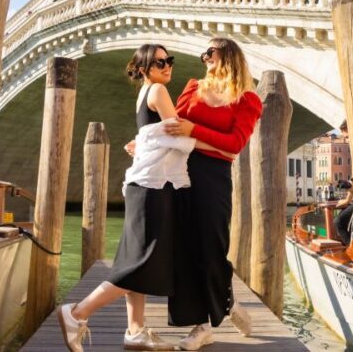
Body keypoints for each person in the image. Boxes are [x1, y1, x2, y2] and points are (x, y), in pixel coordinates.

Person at [58, 45, 232, 352]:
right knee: (141, 263)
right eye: (159, 62)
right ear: (143, 69)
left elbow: (158, 134)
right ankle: (77, 313)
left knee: (132, 258)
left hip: (143, 186)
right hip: (153, 188)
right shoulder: (158, 92)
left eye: (169, 61)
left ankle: (135, 331)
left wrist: (144, 142)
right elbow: (177, 133)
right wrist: (218, 145)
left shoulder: (146, 93)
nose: (167, 66)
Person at [163, 38, 262, 350]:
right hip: (180, 169)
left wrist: (193, 133)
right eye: (203, 53)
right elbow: (172, 125)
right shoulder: (193, 87)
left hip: (213, 176)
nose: (203, 56)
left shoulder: (248, 99)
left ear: (228, 55)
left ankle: (227, 301)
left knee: (211, 246)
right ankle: (201, 326)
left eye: (210, 52)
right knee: (183, 248)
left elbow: (234, 145)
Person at [333, 178, 353, 246]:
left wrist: (349, 186)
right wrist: (338, 203)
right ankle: (350, 242)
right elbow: (347, 201)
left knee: (338, 221)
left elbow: (347, 201)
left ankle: (349, 245)